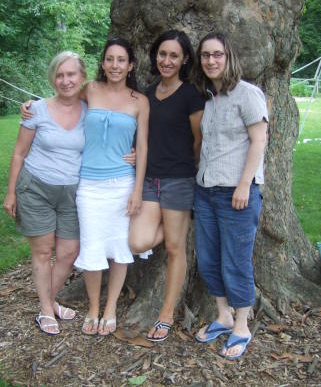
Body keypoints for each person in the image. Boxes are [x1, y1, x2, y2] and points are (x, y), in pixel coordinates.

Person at [193, 32, 268, 360]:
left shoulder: (248, 94)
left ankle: (241, 325)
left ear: (229, 57)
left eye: (217, 54)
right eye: (206, 55)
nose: (211, 60)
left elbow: (259, 141)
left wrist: (243, 186)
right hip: (205, 191)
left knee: (236, 262)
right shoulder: (210, 99)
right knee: (209, 259)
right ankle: (223, 315)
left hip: (236, 193)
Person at [3, 51, 88, 335]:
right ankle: (45, 309)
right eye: (59, 75)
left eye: (71, 74)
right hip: (35, 187)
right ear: (53, 79)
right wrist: (10, 193)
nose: (65, 81)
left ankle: (49, 302)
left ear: (82, 77)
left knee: (69, 252)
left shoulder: (91, 109)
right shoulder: (36, 109)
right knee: (42, 251)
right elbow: (19, 153)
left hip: (72, 191)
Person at [129, 30, 205, 342]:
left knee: (175, 248)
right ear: (155, 56)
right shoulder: (146, 93)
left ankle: (166, 315)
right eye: (162, 54)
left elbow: (199, 140)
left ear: (185, 59)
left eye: (174, 55)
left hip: (178, 181)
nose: (167, 60)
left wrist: (184, 164)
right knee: (137, 242)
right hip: (149, 180)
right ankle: (175, 225)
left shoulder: (191, 95)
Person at [74, 37, 150, 336]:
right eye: (109, 59)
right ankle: (93, 306)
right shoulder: (90, 90)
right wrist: (34, 107)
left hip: (122, 184)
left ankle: (110, 308)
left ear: (130, 65)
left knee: (120, 247)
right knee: (91, 245)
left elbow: (142, 147)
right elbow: (62, 98)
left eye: (121, 60)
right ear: (103, 63)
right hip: (89, 184)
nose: (114, 65)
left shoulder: (139, 101)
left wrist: (137, 191)